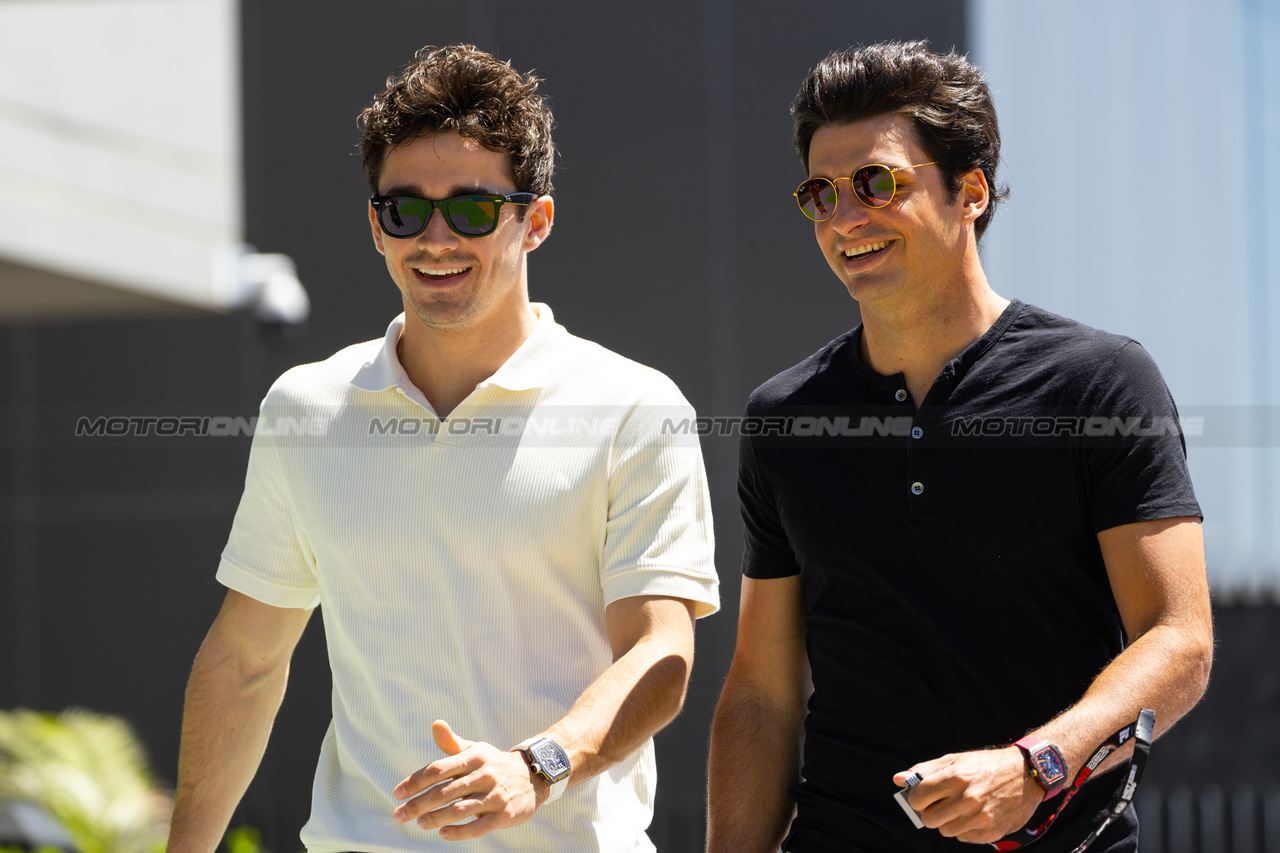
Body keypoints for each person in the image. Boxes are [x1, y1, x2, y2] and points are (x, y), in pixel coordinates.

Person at [165, 44, 718, 853]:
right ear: (376, 227)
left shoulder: (634, 406)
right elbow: (245, 660)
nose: (434, 238)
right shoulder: (306, 409)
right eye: (404, 210)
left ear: (535, 221)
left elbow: (661, 650)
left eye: (469, 209)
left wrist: (540, 766)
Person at [706, 41, 1212, 853]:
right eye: (820, 193)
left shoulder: (1101, 381)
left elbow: (1179, 638)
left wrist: (1035, 765)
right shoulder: (783, 417)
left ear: (970, 192)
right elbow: (763, 691)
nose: (844, 218)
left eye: (878, 183)